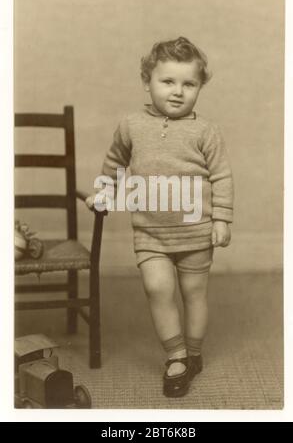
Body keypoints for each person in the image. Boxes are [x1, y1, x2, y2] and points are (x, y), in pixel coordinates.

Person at [86, 37, 234, 398]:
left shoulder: (205, 130)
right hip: (150, 232)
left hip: (195, 230)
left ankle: (195, 353)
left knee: (194, 292)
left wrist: (221, 219)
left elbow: (221, 176)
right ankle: (176, 355)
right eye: (168, 81)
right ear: (147, 80)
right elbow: (115, 162)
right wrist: (105, 191)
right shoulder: (131, 125)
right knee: (158, 288)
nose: (178, 92)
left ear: (200, 87)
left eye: (189, 84)